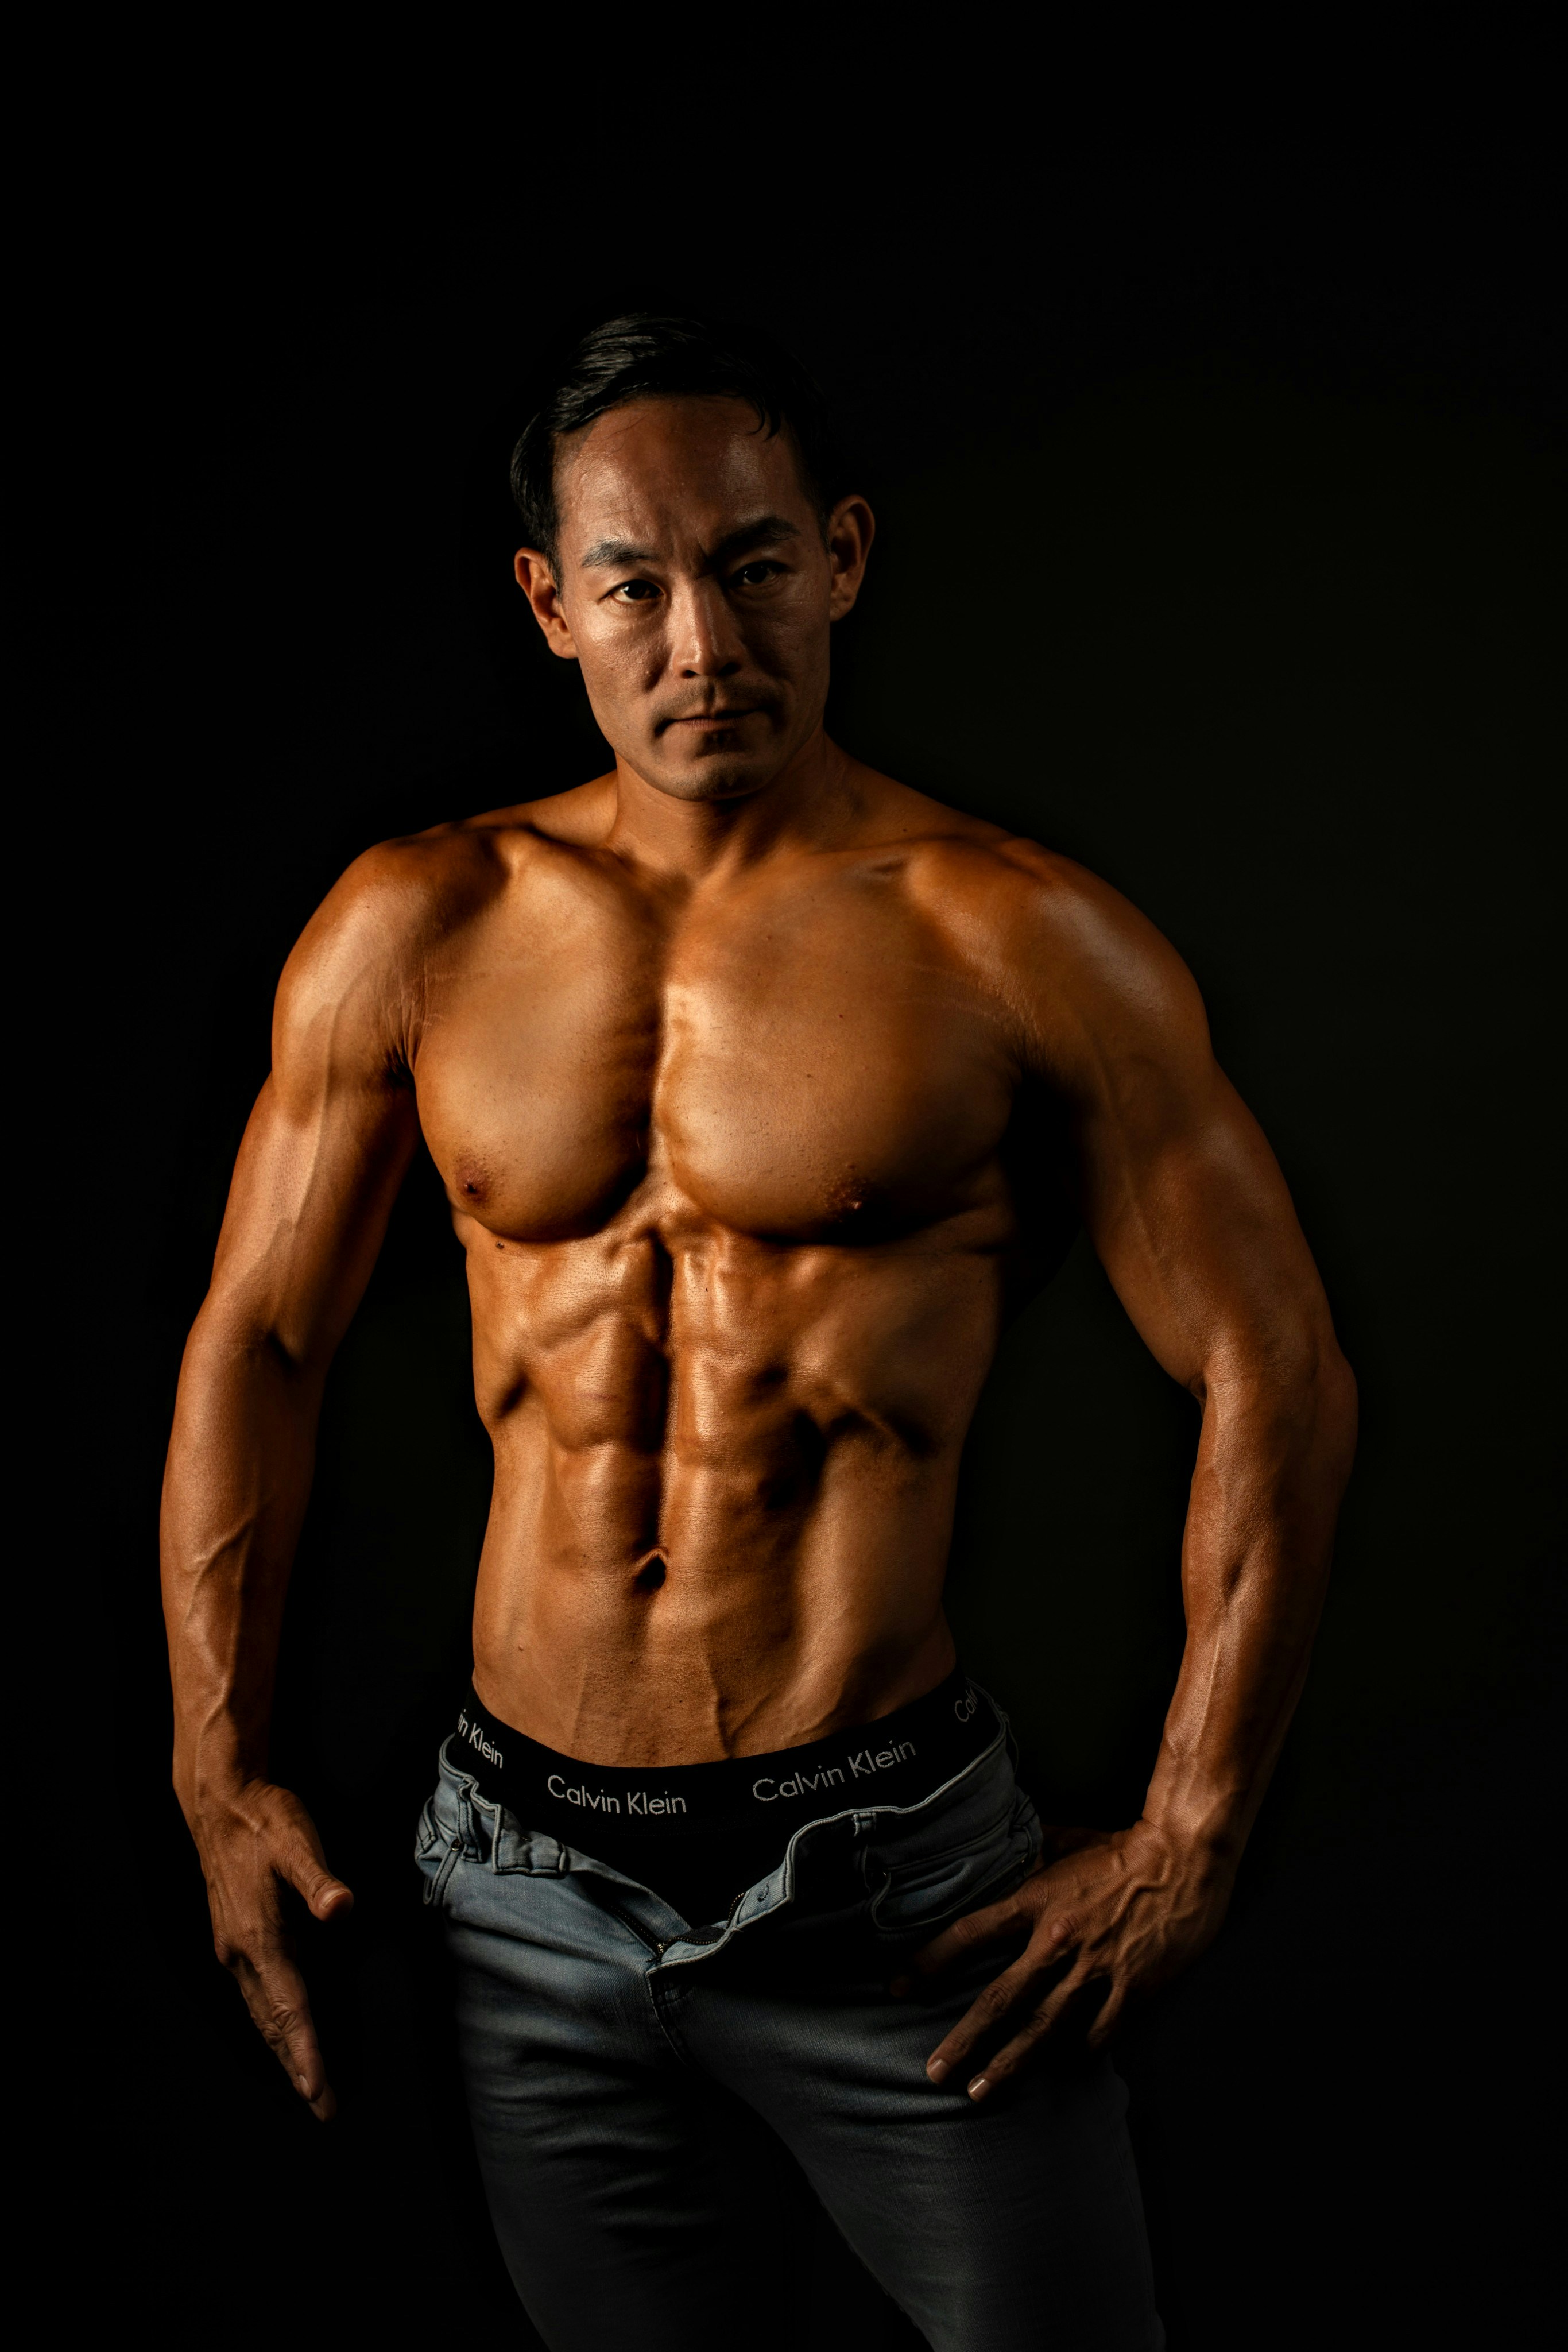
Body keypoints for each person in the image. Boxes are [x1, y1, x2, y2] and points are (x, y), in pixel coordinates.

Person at [161, 313, 1357, 2351]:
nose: (701, 639)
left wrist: (1189, 1836)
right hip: (518, 1886)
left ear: (846, 560)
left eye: (755, 564)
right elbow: (260, 1339)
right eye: (634, 582)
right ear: (551, 605)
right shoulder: (421, 924)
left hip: (895, 1904)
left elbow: (1277, 1370)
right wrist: (217, 1770)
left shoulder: (1012, 937)